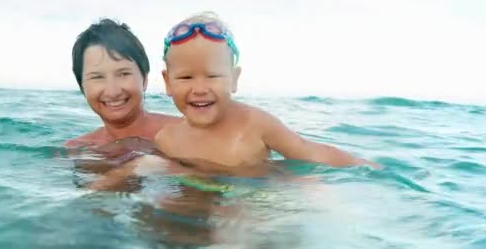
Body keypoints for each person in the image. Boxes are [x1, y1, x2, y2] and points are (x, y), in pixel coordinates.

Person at [154, 11, 380, 170]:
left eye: (213, 76)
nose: (200, 89)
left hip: (252, 203)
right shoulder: (167, 140)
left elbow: (308, 151)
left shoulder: (256, 124)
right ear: (167, 82)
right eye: (185, 77)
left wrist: (364, 167)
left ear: (234, 79)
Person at [66, 18, 179, 150]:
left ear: (145, 79)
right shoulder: (77, 149)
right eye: (97, 77)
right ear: (82, 87)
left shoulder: (184, 134)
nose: (113, 92)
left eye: (123, 74)